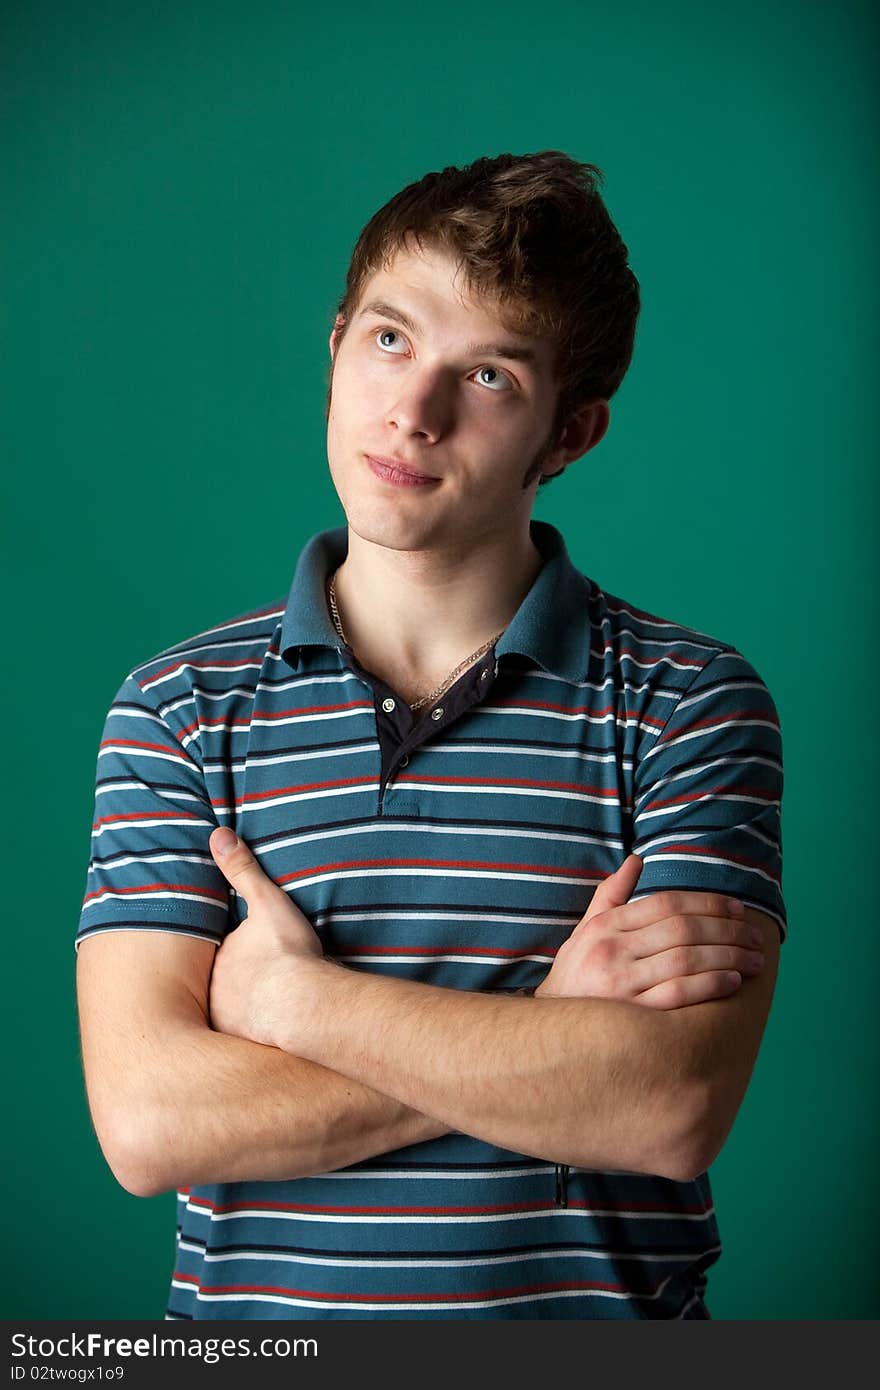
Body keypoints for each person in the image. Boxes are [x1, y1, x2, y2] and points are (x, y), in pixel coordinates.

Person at [75, 151, 785, 1320]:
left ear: (573, 433)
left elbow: (666, 1110)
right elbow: (152, 1125)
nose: (413, 411)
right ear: (337, 339)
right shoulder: (178, 708)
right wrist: (547, 1039)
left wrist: (303, 1009)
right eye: (391, 340)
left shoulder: (688, 704)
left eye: (492, 374)